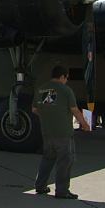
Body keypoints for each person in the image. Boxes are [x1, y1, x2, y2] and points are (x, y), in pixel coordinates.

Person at [32, 65, 90, 199]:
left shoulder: (41, 89)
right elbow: (75, 110)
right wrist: (85, 125)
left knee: (47, 159)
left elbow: (34, 110)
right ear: (63, 76)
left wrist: (48, 113)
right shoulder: (65, 90)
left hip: (47, 131)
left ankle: (40, 186)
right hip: (63, 132)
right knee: (64, 161)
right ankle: (62, 191)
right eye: (66, 78)